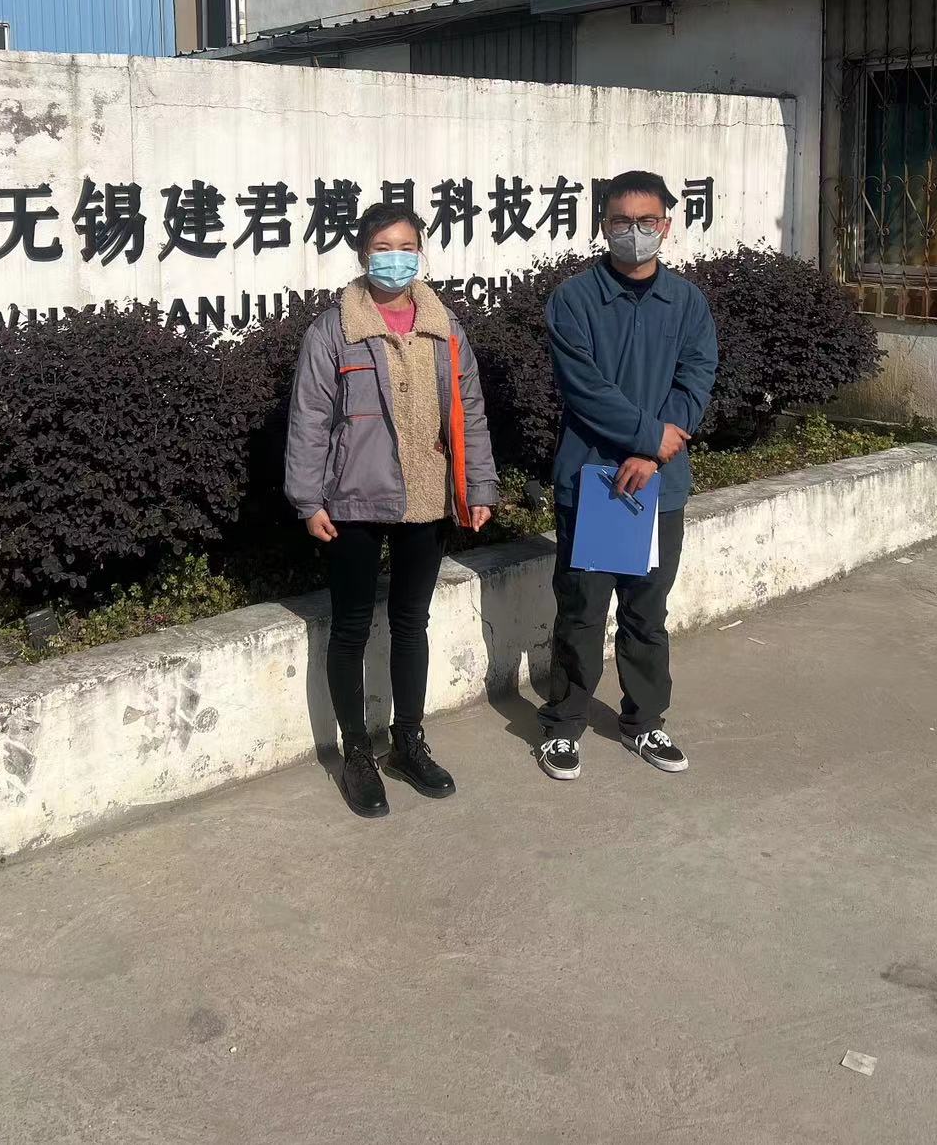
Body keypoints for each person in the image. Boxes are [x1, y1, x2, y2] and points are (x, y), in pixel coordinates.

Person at [285, 203, 498, 818]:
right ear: (362, 253)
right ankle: (357, 754)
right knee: (351, 627)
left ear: (421, 252)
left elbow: (470, 411)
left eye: (406, 246)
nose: (395, 258)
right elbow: (310, 419)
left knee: (410, 623)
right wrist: (307, 499)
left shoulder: (444, 327)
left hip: (428, 496)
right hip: (351, 499)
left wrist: (479, 488)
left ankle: (408, 742)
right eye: (383, 247)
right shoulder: (334, 330)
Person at [537, 171, 718, 782]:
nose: (633, 232)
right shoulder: (574, 301)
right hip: (593, 482)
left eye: (646, 221)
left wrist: (655, 454)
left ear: (666, 226)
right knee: (582, 612)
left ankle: (644, 722)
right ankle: (564, 724)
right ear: (603, 225)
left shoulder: (687, 302)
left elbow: (696, 378)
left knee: (646, 613)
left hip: (657, 487)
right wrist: (648, 438)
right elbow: (584, 389)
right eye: (621, 221)